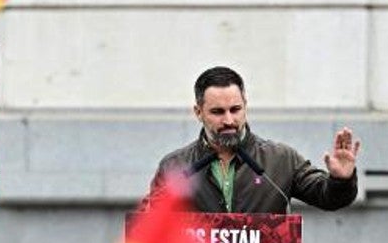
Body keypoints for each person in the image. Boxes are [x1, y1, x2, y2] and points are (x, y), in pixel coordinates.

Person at [143, 66, 360, 214]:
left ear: (245, 105)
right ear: (198, 112)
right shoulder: (174, 166)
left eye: (235, 109)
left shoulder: (281, 159)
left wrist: (342, 180)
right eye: (218, 112)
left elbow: (329, 198)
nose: (229, 120)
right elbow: (149, 228)